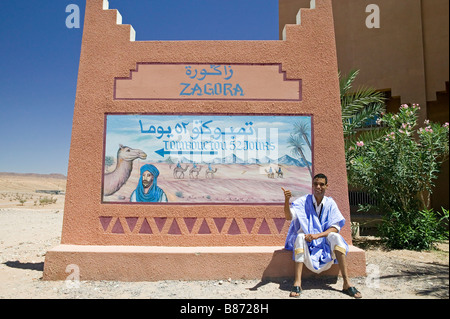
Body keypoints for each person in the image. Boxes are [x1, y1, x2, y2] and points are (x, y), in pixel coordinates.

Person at [282, 173, 362, 298]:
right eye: (315, 184)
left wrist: (317, 236)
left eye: (321, 184)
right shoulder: (303, 201)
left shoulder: (330, 203)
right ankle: (297, 283)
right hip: (307, 246)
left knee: (337, 238)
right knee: (299, 237)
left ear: (326, 186)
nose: (318, 187)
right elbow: (288, 217)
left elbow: (335, 228)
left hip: (325, 247)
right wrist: (287, 201)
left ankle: (347, 283)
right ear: (312, 186)